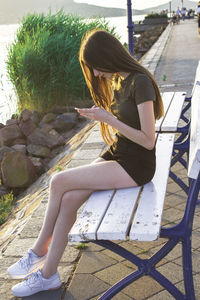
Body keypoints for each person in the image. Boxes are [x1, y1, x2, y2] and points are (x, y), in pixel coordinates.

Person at [7, 29, 164, 297]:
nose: (95, 75)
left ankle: (37, 252)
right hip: (118, 155)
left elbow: (148, 140)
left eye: (95, 67)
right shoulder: (119, 80)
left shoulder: (140, 83)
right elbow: (125, 127)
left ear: (108, 56)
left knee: (57, 180)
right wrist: (102, 117)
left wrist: (109, 119)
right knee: (68, 200)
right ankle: (49, 275)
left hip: (136, 165)